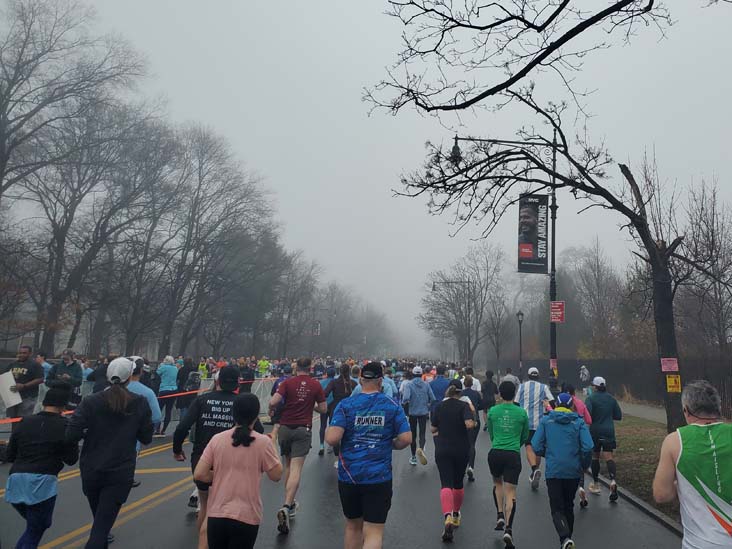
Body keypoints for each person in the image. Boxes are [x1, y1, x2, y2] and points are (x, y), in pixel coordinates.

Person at [66, 357, 153, 548]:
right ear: (130, 377)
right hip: (119, 472)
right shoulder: (140, 403)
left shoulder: (91, 401)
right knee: (100, 530)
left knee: (100, 524)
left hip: (91, 468)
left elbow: (72, 433)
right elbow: (146, 437)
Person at [325, 361, 411, 549]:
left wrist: (329, 431)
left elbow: (332, 439)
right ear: (381, 381)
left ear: (361, 380)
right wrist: (392, 444)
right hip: (378, 476)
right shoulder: (392, 405)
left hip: (349, 475)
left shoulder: (346, 405)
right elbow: (406, 438)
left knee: (353, 527)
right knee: (374, 531)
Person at [174, 367, 262, 548]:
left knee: (205, 506)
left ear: (218, 381)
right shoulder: (241, 403)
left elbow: (182, 426)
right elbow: (259, 429)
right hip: (231, 461)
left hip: (202, 460)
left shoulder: (202, 400)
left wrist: (177, 449)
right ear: (238, 383)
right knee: (220, 509)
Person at [193, 393, 282, 549]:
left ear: (233, 414)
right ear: (256, 416)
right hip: (246, 516)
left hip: (217, 514)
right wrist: (273, 443)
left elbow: (199, 474)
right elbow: (276, 475)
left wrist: (220, 474)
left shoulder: (217, 439)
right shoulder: (263, 442)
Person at [652, 380, 732, 549]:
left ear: (686, 411)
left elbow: (661, 495)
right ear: (718, 408)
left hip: (700, 544)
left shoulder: (674, 441)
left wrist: (680, 483)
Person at [5, 382, 79, 548]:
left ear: (45, 402)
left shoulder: (25, 421)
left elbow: (10, 454)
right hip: (41, 483)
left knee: (36, 526)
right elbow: (71, 459)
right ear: (64, 406)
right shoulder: (65, 426)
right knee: (36, 528)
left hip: (16, 480)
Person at [268, 357, 327, 535]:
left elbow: (273, 401)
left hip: (285, 427)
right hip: (303, 428)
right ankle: (287, 505)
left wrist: (276, 407)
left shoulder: (287, 382)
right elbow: (324, 409)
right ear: (311, 368)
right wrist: (312, 406)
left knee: (288, 466)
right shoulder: (315, 385)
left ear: (296, 367)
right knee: (296, 469)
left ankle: (290, 503)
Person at [531, 393, 593, 549]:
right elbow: (588, 446)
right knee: (568, 506)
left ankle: (565, 538)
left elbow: (536, 445)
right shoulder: (578, 423)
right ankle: (568, 539)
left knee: (557, 509)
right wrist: (583, 464)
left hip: (554, 471)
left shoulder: (546, 421)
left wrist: (549, 454)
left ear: (556, 404)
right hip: (573, 471)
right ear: (572, 406)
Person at [431, 379, 475, 542]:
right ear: (460, 392)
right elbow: (469, 424)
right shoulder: (463, 406)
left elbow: (433, 428)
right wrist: (473, 420)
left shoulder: (439, 406)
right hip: (461, 449)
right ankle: (456, 514)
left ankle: (447, 515)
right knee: (458, 483)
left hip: (442, 449)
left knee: (445, 484)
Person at [487, 381, 530, 549]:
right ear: (514, 394)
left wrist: (497, 441)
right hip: (512, 453)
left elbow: (490, 432)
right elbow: (525, 436)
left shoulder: (492, 411)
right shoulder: (521, 413)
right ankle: (509, 529)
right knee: (510, 491)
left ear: (500, 394)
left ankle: (499, 514)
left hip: (495, 452)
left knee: (497, 482)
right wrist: (514, 445)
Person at [516, 366, 555, 490]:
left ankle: (534, 469)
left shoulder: (522, 387)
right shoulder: (544, 387)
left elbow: (516, 403)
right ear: (538, 376)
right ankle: (535, 471)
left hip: (526, 422)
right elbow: (552, 402)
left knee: (528, 447)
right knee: (537, 448)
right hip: (540, 422)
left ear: (528, 376)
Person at [585, 376, 622, 501]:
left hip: (595, 430)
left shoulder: (590, 398)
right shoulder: (611, 399)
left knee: (595, 456)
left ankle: (595, 483)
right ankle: (612, 480)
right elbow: (618, 415)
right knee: (608, 456)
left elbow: (587, 414)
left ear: (595, 387)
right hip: (608, 430)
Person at [127, 357, 163, 488]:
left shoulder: (109, 390)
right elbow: (157, 417)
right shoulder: (147, 392)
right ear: (141, 371)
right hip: (133, 437)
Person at [1, 345, 44, 430]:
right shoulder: (13, 364)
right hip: (13, 396)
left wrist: (25, 385)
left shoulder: (35, 365)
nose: (21, 355)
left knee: (24, 420)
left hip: (28, 397)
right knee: (14, 419)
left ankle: (23, 439)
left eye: (24, 353)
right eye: (20, 353)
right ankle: (14, 437)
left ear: (30, 354)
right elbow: (4, 376)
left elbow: (40, 379)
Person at [324, 363, 359, 468]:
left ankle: (338, 459)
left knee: (336, 435)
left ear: (339, 371)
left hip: (336, 408)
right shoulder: (353, 383)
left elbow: (325, 393)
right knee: (350, 434)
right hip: (351, 409)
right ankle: (350, 457)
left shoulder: (334, 382)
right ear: (349, 372)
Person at [401, 365, 436, 466]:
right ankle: (421, 448)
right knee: (422, 433)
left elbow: (405, 398)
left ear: (413, 374)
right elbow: (433, 398)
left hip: (412, 412)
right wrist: (428, 405)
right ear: (421, 374)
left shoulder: (409, 384)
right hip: (423, 412)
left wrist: (406, 403)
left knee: (413, 434)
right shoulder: (426, 385)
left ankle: (413, 457)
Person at [461, 375, 482, 482]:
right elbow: (481, 405)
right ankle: (471, 467)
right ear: (472, 384)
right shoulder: (476, 394)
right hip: (474, 420)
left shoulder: (461, 394)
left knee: (462, 444)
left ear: (464, 384)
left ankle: (462, 467)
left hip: (463, 421)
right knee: (472, 444)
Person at [155, 355, 179, 436]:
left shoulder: (163, 367)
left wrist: (160, 366)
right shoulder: (175, 368)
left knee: (159, 410)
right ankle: (164, 430)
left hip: (164, 389)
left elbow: (157, 373)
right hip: (173, 390)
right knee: (168, 411)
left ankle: (157, 429)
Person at [317, 367, 336, 456]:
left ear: (326, 374)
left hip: (324, 404)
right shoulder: (336, 382)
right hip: (333, 405)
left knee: (322, 425)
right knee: (332, 426)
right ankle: (330, 445)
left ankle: (321, 446)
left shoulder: (321, 382)